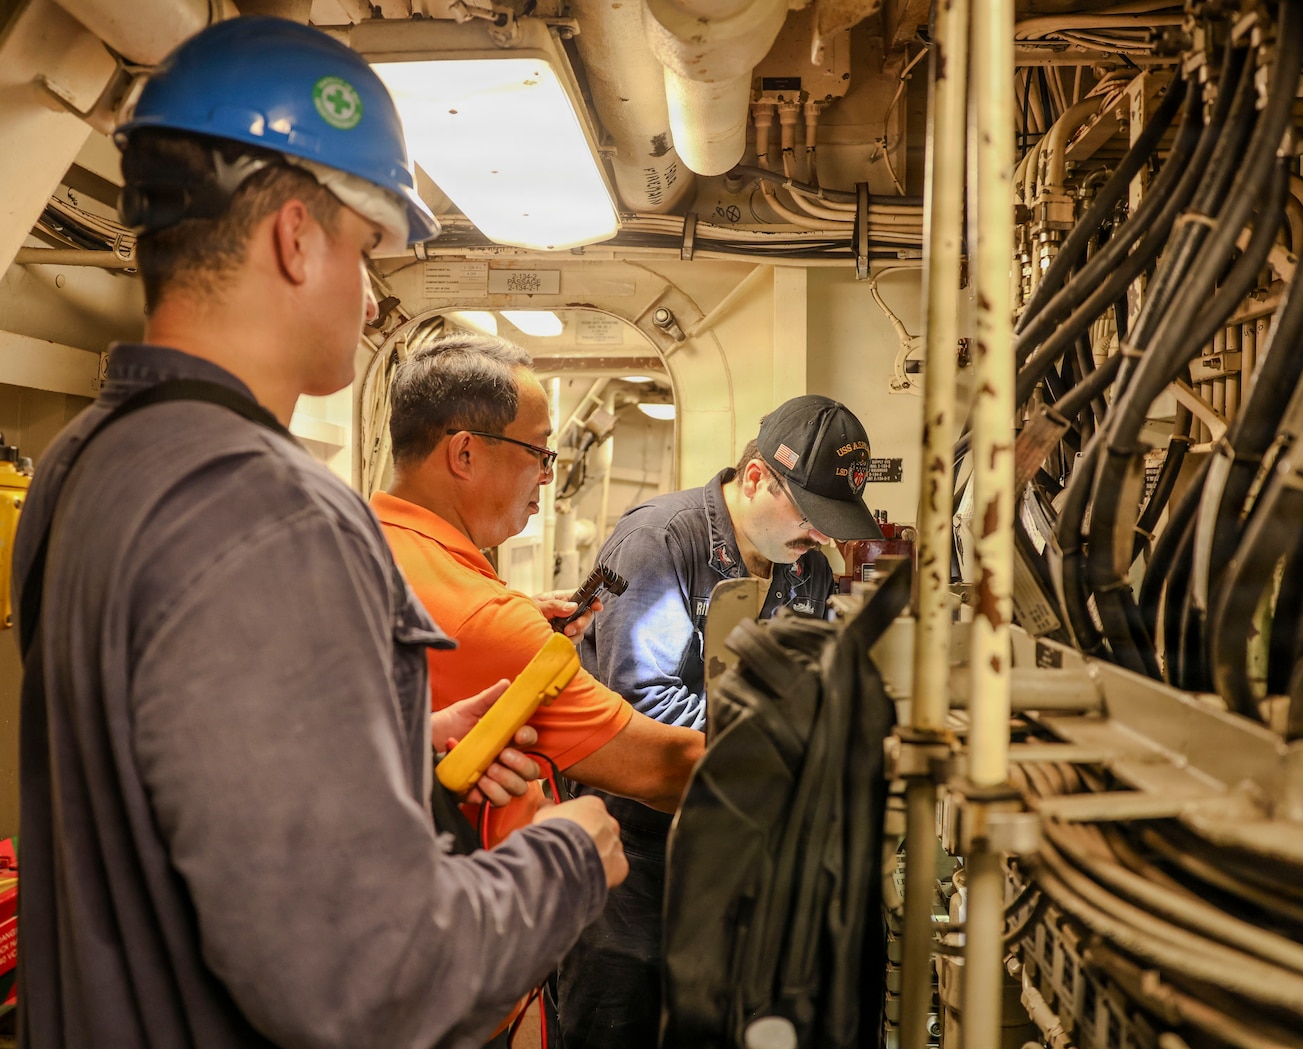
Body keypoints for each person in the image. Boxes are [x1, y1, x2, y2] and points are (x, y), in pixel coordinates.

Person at [12, 17, 624, 1049]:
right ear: (295, 237)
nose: (372, 288)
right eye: (364, 244)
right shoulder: (270, 511)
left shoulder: (83, 460)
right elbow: (366, 981)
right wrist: (564, 857)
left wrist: (383, 742)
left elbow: (162, 765)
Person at [555, 394, 885, 1049]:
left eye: (832, 520)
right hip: (634, 853)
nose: (820, 536)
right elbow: (642, 705)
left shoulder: (808, 570)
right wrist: (791, 738)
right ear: (757, 476)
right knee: (622, 1020)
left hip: (738, 848)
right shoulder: (658, 541)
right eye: (811, 514)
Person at [371, 333, 705, 848]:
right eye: (538, 452)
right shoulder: (487, 619)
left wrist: (520, 614)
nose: (548, 476)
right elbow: (664, 768)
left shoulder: (361, 544)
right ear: (464, 454)